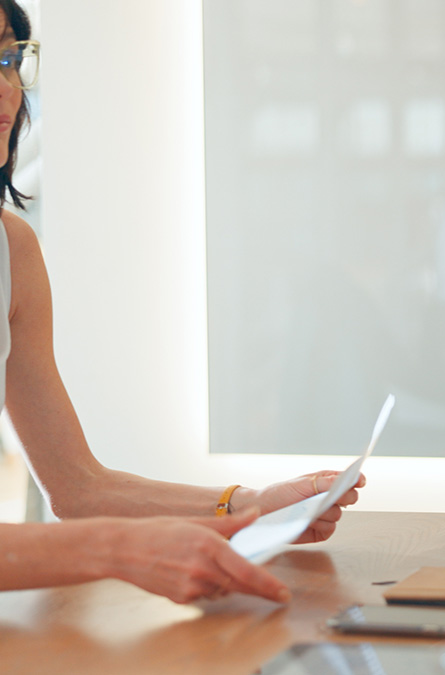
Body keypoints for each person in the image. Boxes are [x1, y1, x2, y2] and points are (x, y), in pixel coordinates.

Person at [0, 0, 361, 603]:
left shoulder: (12, 249)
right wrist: (117, 550)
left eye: (9, 56)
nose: (5, 86)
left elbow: (78, 486)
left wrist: (246, 506)